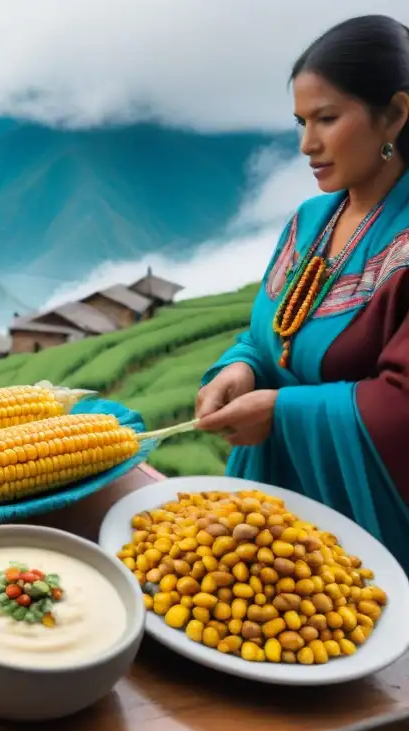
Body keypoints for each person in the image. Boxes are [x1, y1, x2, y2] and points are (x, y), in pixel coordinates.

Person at [195, 14, 409, 574]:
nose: (306, 144)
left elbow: (403, 404)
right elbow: (267, 339)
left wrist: (282, 412)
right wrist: (238, 369)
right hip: (263, 521)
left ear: (397, 115)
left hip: (362, 536)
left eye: (327, 119)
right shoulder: (309, 221)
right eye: (299, 121)